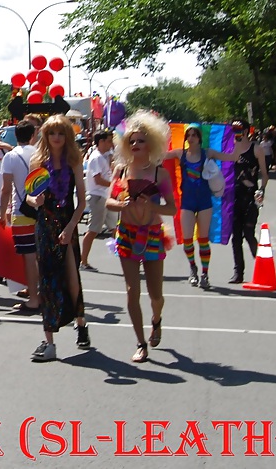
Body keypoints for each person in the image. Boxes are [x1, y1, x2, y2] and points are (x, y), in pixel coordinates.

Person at [105, 111, 176, 363]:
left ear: (152, 143)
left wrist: (152, 206)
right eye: (132, 140)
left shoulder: (160, 174)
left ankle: (156, 320)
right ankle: (140, 342)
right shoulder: (121, 171)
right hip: (126, 235)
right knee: (131, 291)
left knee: (155, 295)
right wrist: (120, 204)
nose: (136, 145)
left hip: (153, 235)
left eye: (141, 140)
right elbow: (109, 202)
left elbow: (172, 208)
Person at [25, 116, 89, 361]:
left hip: (67, 222)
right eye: (52, 133)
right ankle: (49, 342)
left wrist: (71, 227)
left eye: (61, 133)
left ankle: (81, 323)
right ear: (46, 136)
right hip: (44, 225)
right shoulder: (38, 161)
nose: (56, 138)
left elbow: (82, 201)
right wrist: (34, 200)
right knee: (47, 281)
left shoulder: (74, 161)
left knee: (72, 277)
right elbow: (29, 195)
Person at [164, 124, 240, 290]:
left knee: (203, 240)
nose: (190, 138)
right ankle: (193, 268)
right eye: (188, 135)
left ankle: (205, 274)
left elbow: (231, 157)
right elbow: (159, 156)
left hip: (205, 202)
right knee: (187, 240)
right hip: (187, 202)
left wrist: (238, 140)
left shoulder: (208, 153)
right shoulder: (180, 153)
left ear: (199, 138)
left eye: (194, 135)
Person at [0, 118, 41, 314]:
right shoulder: (40, 153)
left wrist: (1, 214)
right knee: (40, 255)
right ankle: (40, 292)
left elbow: (6, 189)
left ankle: (34, 299)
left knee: (29, 257)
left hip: (21, 211)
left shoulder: (11, 157)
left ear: (16, 136)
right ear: (33, 135)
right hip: (42, 209)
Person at [228, 119, 269, 284]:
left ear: (245, 131)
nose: (235, 132)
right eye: (233, 129)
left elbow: (264, 174)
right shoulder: (230, 148)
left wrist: (262, 190)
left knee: (249, 233)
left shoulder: (256, 149)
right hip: (235, 195)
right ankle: (238, 272)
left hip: (251, 196)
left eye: (238, 129)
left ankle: (263, 267)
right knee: (236, 236)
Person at [81, 130, 115, 271]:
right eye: (108, 141)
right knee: (93, 230)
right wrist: (115, 185)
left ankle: (130, 257)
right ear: (101, 142)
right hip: (97, 197)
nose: (111, 143)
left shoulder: (103, 156)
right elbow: (98, 179)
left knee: (116, 228)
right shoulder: (96, 158)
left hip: (105, 197)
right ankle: (83, 262)